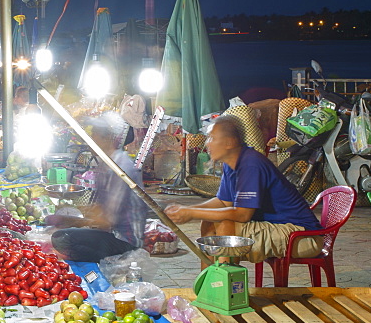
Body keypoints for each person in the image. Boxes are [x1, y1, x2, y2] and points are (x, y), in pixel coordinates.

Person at [164, 114, 323, 265]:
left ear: (229, 142)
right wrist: (186, 209)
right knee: (209, 223)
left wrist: (191, 213)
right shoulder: (230, 163)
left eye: (212, 138)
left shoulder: (250, 164)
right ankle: (209, 286)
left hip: (302, 236)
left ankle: (225, 287)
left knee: (226, 225)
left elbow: (242, 214)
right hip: (281, 228)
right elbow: (223, 201)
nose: (207, 143)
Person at [46, 112, 146, 262]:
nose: (90, 140)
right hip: (110, 232)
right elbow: (100, 210)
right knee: (62, 236)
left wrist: (74, 221)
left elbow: (106, 221)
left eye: (94, 135)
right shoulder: (105, 165)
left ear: (107, 139)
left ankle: (108, 263)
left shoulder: (120, 168)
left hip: (125, 240)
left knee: (64, 240)